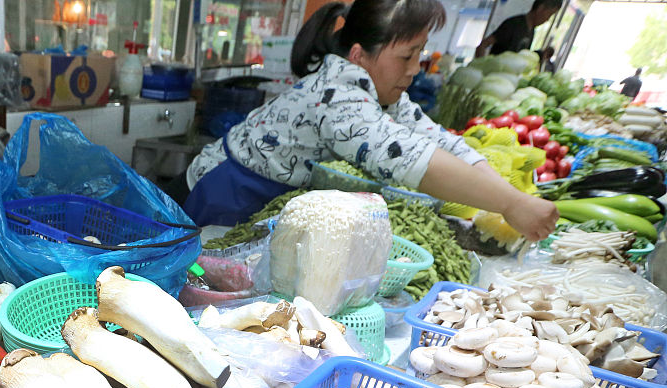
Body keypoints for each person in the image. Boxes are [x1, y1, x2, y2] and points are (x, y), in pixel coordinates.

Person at [183, 0, 558, 240]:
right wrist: (508, 205)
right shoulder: (339, 97)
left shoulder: (380, 92)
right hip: (228, 191)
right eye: (406, 56)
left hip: (262, 191)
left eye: (420, 55)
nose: (415, 70)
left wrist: (514, 198)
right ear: (360, 55)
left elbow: (439, 141)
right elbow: (412, 161)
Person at [475, 0, 562, 58]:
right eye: (549, 14)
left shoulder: (531, 31)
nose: (547, 19)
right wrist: (481, 68)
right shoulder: (513, 25)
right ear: (540, 8)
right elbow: (483, 45)